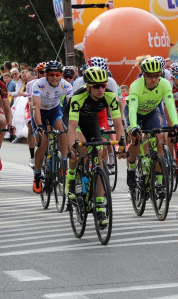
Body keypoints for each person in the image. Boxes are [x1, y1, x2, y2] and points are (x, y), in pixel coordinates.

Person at [65, 66, 125, 228]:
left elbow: (118, 124)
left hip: (91, 120)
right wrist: (71, 148)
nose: (101, 89)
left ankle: (99, 205)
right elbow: (71, 127)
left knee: (101, 151)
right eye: (97, 86)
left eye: (103, 85)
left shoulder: (110, 97)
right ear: (89, 87)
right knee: (81, 148)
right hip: (74, 121)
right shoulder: (78, 97)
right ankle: (71, 177)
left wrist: (122, 145)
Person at [125, 57, 178, 191]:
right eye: (150, 76)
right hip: (134, 112)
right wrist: (134, 127)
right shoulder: (136, 86)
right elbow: (132, 109)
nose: (154, 79)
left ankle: (159, 182)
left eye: (157, 75)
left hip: (150, 112)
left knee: (159, 139)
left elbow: (170, 105)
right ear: (143, 75)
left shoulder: (165, 84)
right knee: (136, 139)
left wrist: (176, 125)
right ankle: (131, 168)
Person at [30, 60, 72, 193]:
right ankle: (37, 176)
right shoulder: (38, 85)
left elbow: (71, 108)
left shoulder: (66, 86)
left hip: (54, 110)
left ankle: (64, 163)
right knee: (43, 143)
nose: (55, 77)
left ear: (61, 75)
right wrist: (40, 127)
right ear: (46, 75)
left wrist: (72, 126)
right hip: (40, 112)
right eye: (51, 74)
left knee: (62, 130)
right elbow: (36, 108)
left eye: (58, 74)